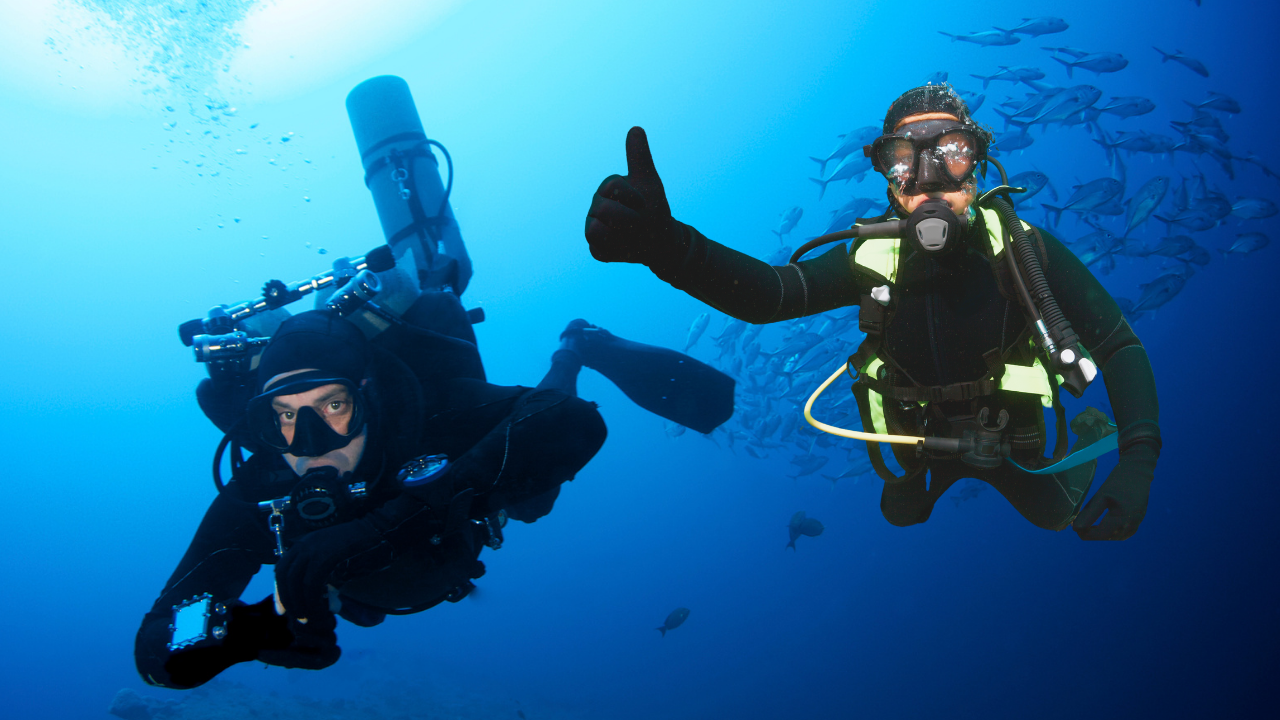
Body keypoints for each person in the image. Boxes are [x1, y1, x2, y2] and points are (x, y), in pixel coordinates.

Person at [584, 84, 1161, 541]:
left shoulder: (1023, 249)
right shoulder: (871, 257)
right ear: (886, 177)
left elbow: (1118, 346)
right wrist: (667, 248)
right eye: (905, 160)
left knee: (1053, 514)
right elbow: (768, 295)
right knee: (902, 516)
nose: (929, 180)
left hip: (1016, 440)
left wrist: (1138, 458)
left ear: (978, 166)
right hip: (919, 443)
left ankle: (1085, 436)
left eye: (952, 154)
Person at [135, 294, 732, 688]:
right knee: (363, 607)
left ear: (367, 396)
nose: (310, 440)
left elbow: (571, 423)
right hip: (384, 584)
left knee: (533, 503)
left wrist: (388, 525)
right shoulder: (260, 489)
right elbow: (160, 644)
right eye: (285, 417)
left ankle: (575, 348)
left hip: (463, 510)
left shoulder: (432, 415)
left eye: (333, 406)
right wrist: (249, 635)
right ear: (260, 424)